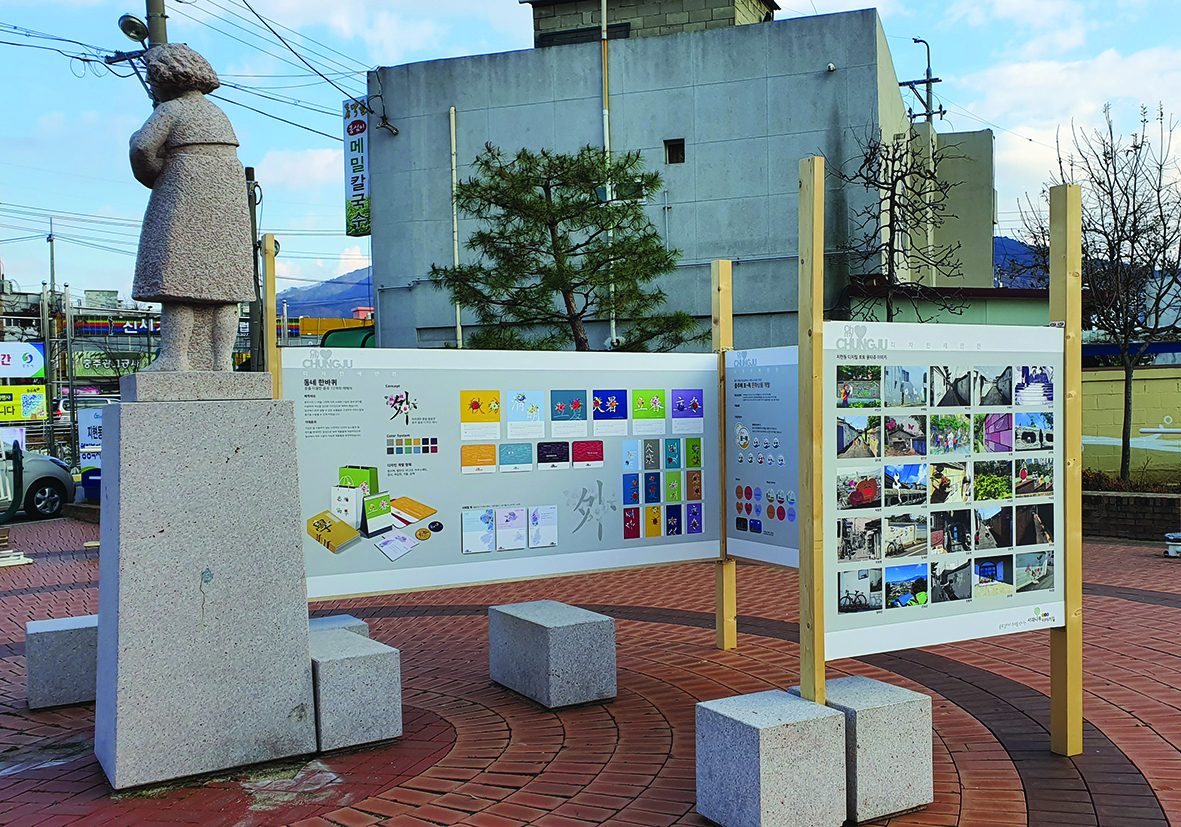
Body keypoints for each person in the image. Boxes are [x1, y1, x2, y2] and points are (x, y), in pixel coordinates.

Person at [130, 44, 255, 372]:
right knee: (226, 288)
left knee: (179, 283)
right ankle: (221, 361)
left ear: (164, 78)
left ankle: (175, 358)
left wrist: (155, 173)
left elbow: (143, 147)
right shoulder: (217, 113)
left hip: (184, 188)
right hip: (228, 193)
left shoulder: (171, 110)